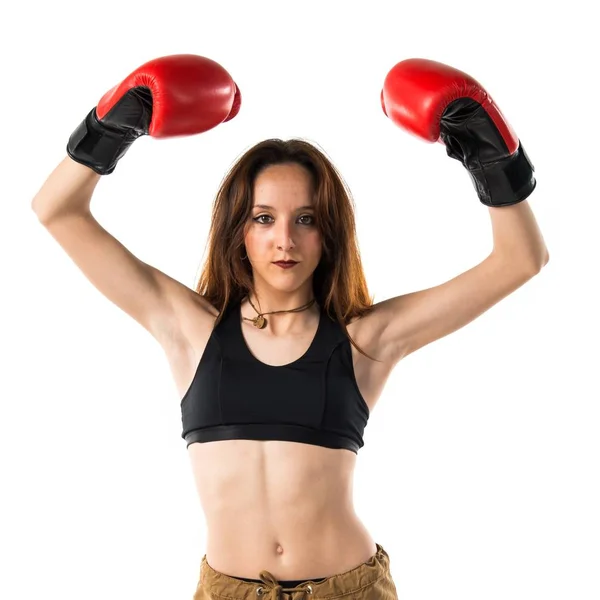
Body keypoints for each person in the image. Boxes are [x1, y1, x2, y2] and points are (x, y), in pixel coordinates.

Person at [31, 54, 548, 599]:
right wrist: (115, 124)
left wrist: (490, 156)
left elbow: (521, 259)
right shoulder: (189, 328)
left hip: (347, 590)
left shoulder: (364, 341)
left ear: (329, 234)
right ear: (239, 231)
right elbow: (57, 210)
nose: (285, 240)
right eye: (264, 218)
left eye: (306, 219)